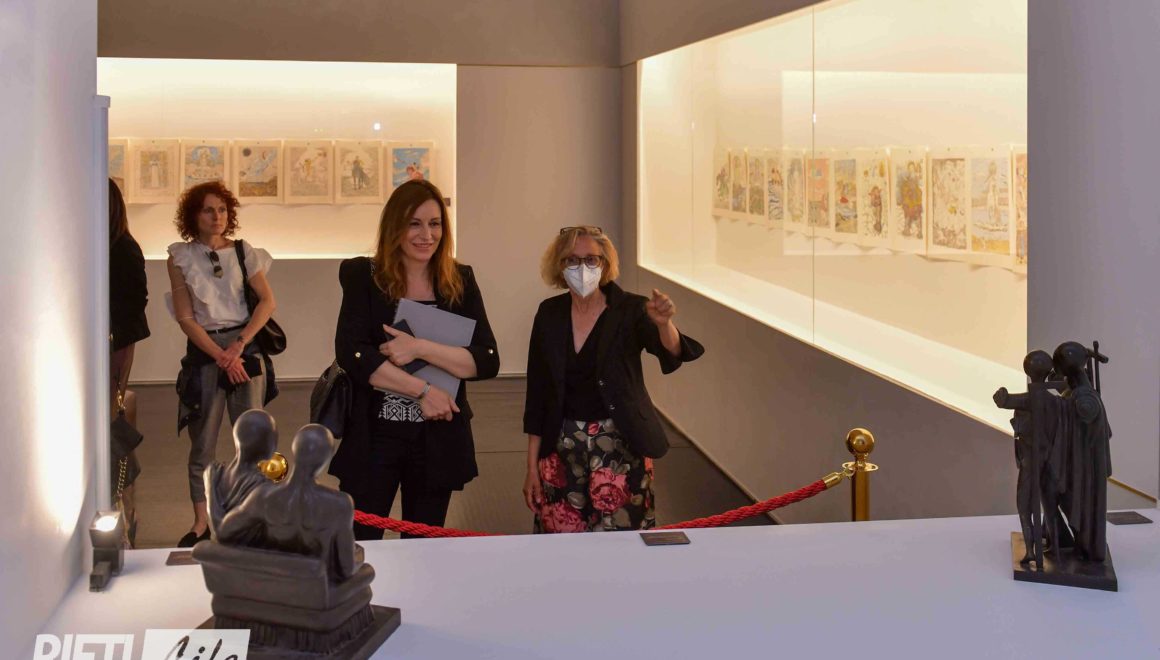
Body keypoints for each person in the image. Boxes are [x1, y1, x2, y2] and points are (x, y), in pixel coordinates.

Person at [331, 179, 499, 540]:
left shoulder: (460, 280)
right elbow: (353, 354)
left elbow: (487, 359)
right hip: (375, 436)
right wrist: (423, 392)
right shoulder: (363, 276)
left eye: (435, 223)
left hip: (436, 441)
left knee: (424, 547)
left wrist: (420, 348)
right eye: (414, 224)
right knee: (362, 542)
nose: (427, 235)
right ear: (395, 226)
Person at [523, 226, 704, 533]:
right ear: (559, 265)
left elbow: (671, 352)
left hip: (621, 445)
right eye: (572, 260)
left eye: (591, 259)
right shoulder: (549, 314)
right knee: (560, 538)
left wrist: (664, 324)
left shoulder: (631, 309)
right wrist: (531, 467)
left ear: (605, 264)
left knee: (624, 539)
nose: (582, 268)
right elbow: (537, 395)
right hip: (561, 446)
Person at [167, 180, 278, 547]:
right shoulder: (180, 257)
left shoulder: (245, 252)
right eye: (208, 210)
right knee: (202, 443)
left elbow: (267, 302)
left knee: (254, 440)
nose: (217, 217)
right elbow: (185, 317)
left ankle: (255, 517)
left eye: (222, 210)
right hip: (205, 351)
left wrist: (239, 346)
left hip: (245, 348)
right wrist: (220, 355)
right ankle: (201, 523)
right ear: (193, 216)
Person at [108, 179, 150, 547]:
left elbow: (135, 300)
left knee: (115, 418)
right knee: (115, 416)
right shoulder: (108, 244)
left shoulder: (122, 247)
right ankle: (123, 510)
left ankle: (124, 511)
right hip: (107, 342)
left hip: (113, 343)